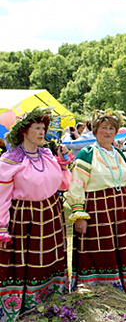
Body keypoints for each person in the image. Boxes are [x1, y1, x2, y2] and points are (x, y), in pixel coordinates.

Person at [0, 107, 72, 321]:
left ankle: (50, 303)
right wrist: (2, 227)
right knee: (25, 262)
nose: (42, 132)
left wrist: (64, 165)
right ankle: (22, 307)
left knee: (50, 260)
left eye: (44, 128)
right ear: (24, 130)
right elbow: (2, 197)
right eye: (37, 128)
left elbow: (63, 185)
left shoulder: (48, 155)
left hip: (50, 214)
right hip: (25, 218)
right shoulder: (9, 160)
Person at [66, 110, 126, 300]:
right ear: (95, 131)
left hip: (121, 208)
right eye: (103, 128)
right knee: (102, 251)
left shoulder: (118, 154)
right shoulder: (87, 153)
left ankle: (125, 292)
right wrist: (79, 213)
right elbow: (76, 184)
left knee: (121, 248)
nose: (107, 132)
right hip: (98, 209)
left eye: (111, 128)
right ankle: (101, 295)